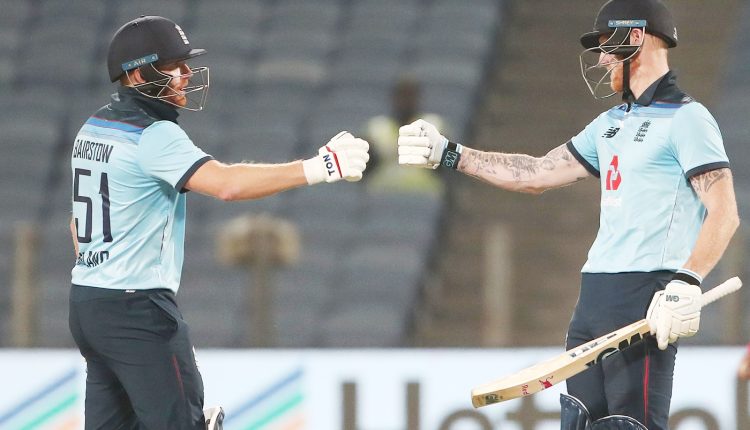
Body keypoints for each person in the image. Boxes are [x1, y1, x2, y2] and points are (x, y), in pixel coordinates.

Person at [397, 0, 739, 428]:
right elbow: (538, 173)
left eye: (607, 45)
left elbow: (724, 212)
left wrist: (686, 282)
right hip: (593, 296)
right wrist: (451, 154)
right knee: (578, 420)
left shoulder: (688, 119)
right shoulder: (610, 122)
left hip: (645, 294)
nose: (602, 58)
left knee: (628, 423)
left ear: (636, 37)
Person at [68, 16, 369, 430]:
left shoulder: (93, 128)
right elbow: (226, 184)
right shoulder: (153, 134)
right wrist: (321, 167)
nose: (186, 74)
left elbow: (76, 227)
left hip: (88, 302)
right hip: (137, 308)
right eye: (173, 66)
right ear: (137, 74)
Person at [364, 76, 445, 195]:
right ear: (393, 98)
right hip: (383, 193)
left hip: (424, 192)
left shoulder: (433, 125)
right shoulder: (377, 128)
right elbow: (364, 167)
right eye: (402, 96)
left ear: (418, 98)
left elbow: (445, 166)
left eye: (410, 96)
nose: (406, 101)